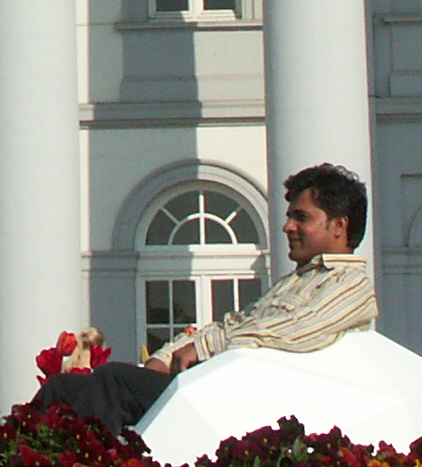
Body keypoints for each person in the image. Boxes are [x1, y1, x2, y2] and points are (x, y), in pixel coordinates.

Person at [33, 163, 379, 437]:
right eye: (289, 216)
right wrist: (164, 356)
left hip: (250, 404)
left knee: (113, 381)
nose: (288, 226)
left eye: (301, 217)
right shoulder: (297, 281)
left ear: (339, 226)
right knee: (63, 386)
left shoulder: (351, 285)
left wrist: (203, 348)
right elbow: (231, 325)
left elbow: (293, 330)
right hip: (215, 387)